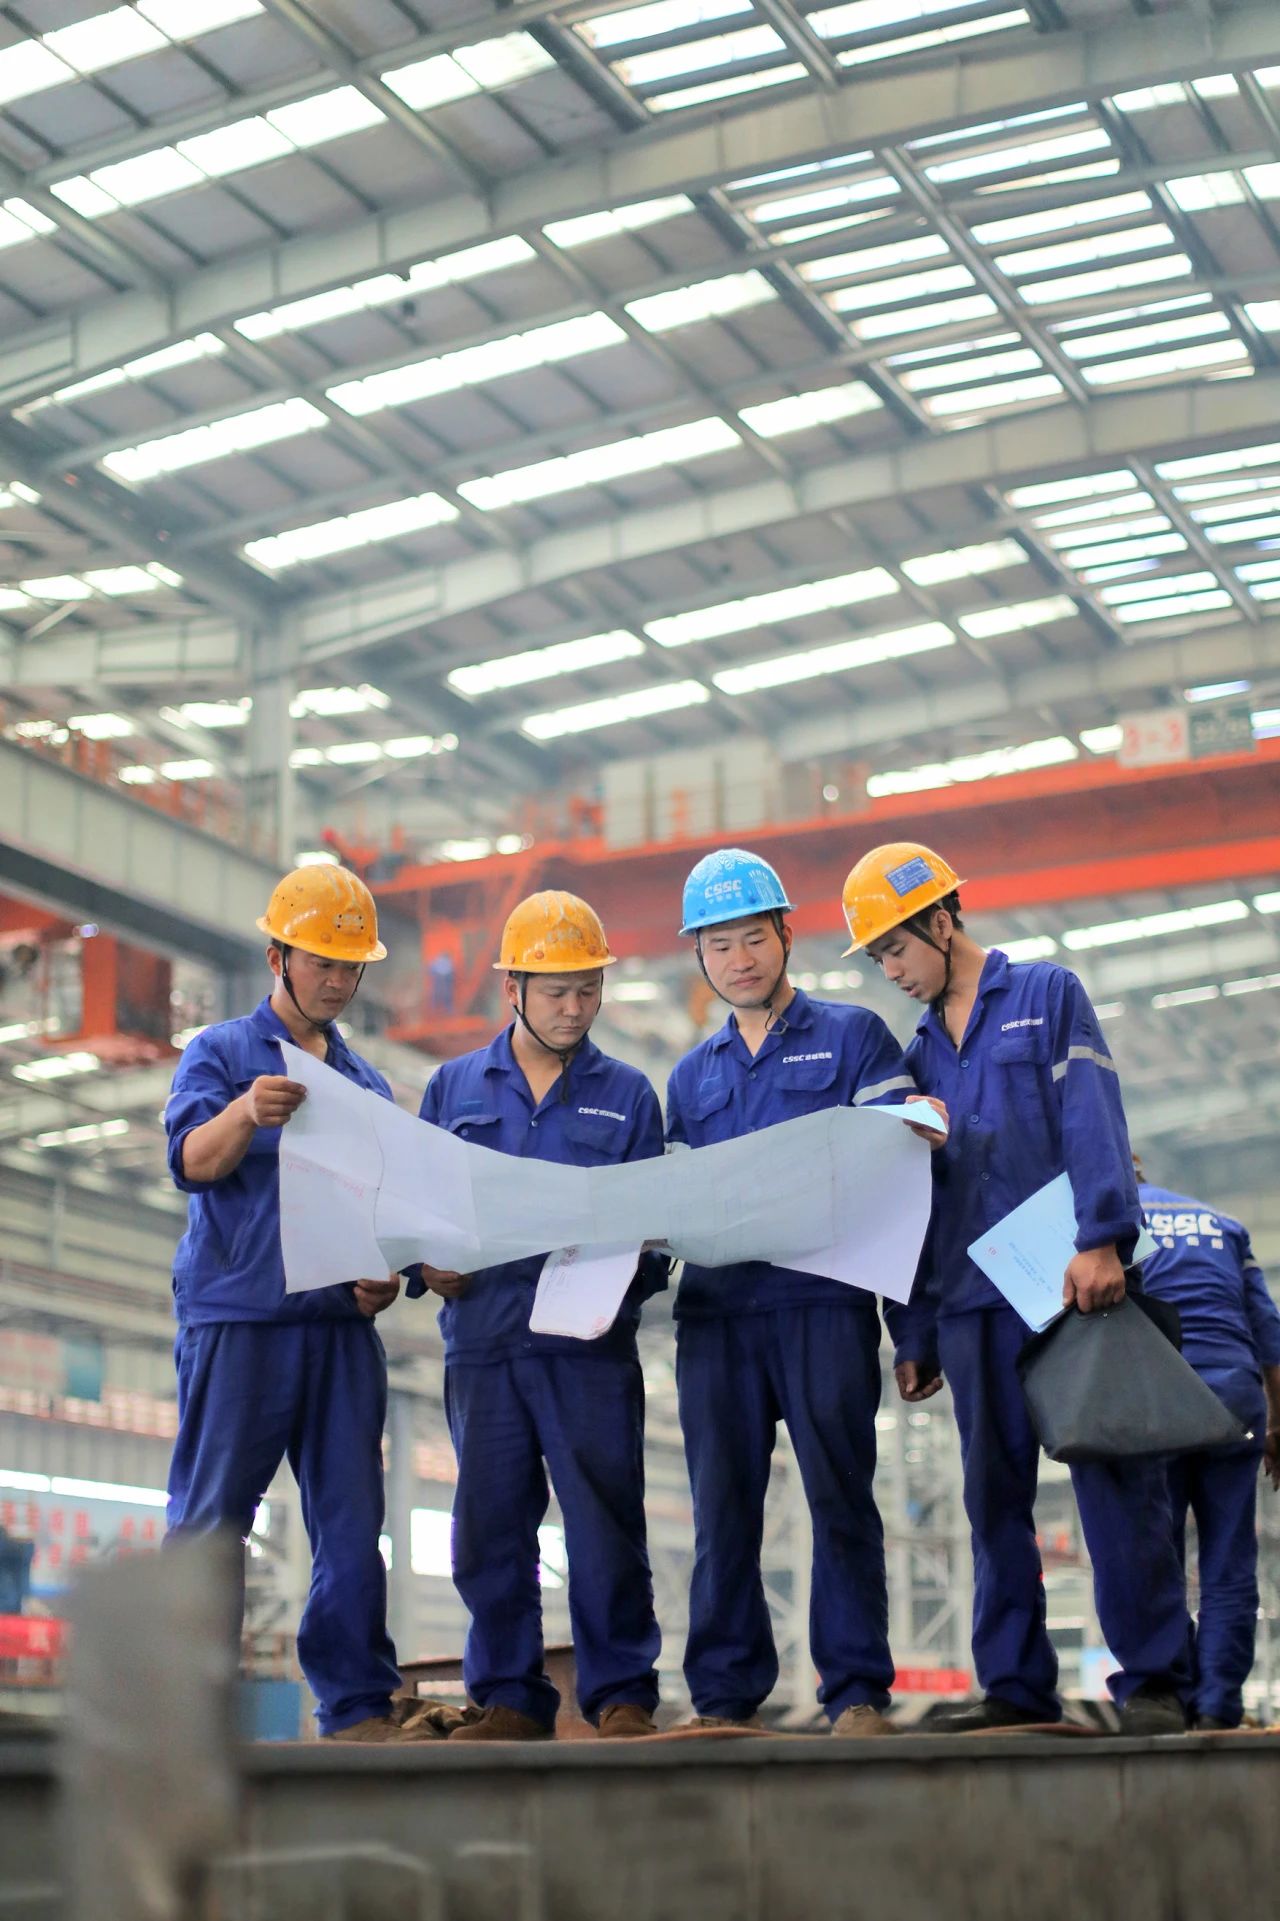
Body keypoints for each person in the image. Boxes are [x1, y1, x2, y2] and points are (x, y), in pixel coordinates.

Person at [844, 840, 1192, 1736]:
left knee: (1114, 1475)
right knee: (992, 1498)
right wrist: (915, 1328)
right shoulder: (916, 1057)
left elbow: (1093, 1117)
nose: (892, 972)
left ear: (941, 919)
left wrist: (1102, 1237)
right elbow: (911, 1201)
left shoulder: (1046, 995)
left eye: (896, 948)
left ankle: (1155, 1679)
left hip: (1074, 1287)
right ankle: (1014, 1684)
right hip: (971, 1302)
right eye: (878, 959)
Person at [665, 847, 946, 1737]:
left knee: (840, 1496)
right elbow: (667, 1205)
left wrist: (913, 1327)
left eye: (753, 937)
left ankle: (855, 1691)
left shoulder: (855, 1038)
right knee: (722, 1509)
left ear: (786, 934)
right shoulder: (690, 1078)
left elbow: (897, 1179)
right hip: (717, 1318)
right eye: (719, 945)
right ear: (699, 956)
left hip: (823, 1304)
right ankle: (723, 1697)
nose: (739, 959)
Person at [164, 865, 424, 1744]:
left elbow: (383, 1214)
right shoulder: (221, 1054)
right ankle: (186, 1714)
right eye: (323, 963)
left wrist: (383, 1279)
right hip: (241, 1320)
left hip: (339, 1331)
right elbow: (193, 1161)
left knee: (352, 1526)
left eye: (352, 967)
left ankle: (356, 1706)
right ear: (278, 957)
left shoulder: (365, 1085)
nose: (340, 981)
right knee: (212, 1520)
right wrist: (245, 1113)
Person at [411, 891, 666, 1742]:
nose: (574, 1007)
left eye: (588, 990)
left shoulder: (628, 1096)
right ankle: (511, 1698)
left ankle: (621, 1696)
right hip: (484, 1344)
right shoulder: (452, 1088)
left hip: (588, 1350)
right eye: (556, 990)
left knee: (605, 1524)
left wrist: (626, 1271)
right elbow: (412, 1210)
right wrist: (424, 1265)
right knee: (489, 1528)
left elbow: (659, 1235)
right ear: (512, 988)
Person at [1136, 1160, 1280, 1728]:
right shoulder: (1223, 1224)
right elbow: (1270, 1335)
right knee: (1229, 1559)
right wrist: (1276, 1426)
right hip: (1234, 1396)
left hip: (1159, 1397)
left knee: (1159, 1557)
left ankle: (1170, 1697)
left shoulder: (1105, 1223)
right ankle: (1218, 1705)